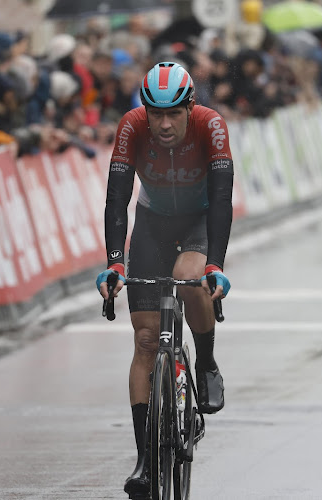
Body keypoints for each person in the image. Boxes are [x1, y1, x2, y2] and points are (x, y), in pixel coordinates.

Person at [95, 62, 234, 498]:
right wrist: (115, 263)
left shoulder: (211, 126)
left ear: (190, 106)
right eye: (156, 114)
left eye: (174, 113)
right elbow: (116, 201)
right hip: (152, 225)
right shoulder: (131, 127)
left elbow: (223, 198)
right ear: (145, 111)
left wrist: (216, 263)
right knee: (145, 341)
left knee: (188, 277)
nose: (165, 123)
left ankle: (206, 362)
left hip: (199, 221)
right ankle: (145, 462)